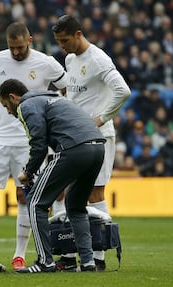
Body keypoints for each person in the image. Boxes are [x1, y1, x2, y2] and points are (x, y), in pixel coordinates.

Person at [0, 21, 67, 270]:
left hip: (29, 142)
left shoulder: (46, 63)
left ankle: (19, 255)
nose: (15, 52)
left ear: (30, 41)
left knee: (24, 196)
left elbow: (67, 87)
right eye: (12, 47)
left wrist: (55, 119)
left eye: (20, 47)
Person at [0, 78, 105, 273]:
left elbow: (38, 144)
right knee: (76, 205)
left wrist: (27, 172)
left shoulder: (25, 105)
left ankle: (45, 262)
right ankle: (88, 262)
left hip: (73, 148)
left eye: (6, 106)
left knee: (36, 203)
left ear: (13, 97)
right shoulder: (54, 97)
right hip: (97, 147)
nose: (8, 111)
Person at [52, 14, 131, 271]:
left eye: (65, 40)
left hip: (99, 136)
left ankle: (99, 258)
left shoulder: (98, 59)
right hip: (75, 137)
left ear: (78, 34)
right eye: (58, 41)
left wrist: (100, 118)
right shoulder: (70, 59)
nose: (62, 46)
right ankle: (69, 255)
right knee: (71, 194)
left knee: (95, 193)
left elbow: (123, 90)